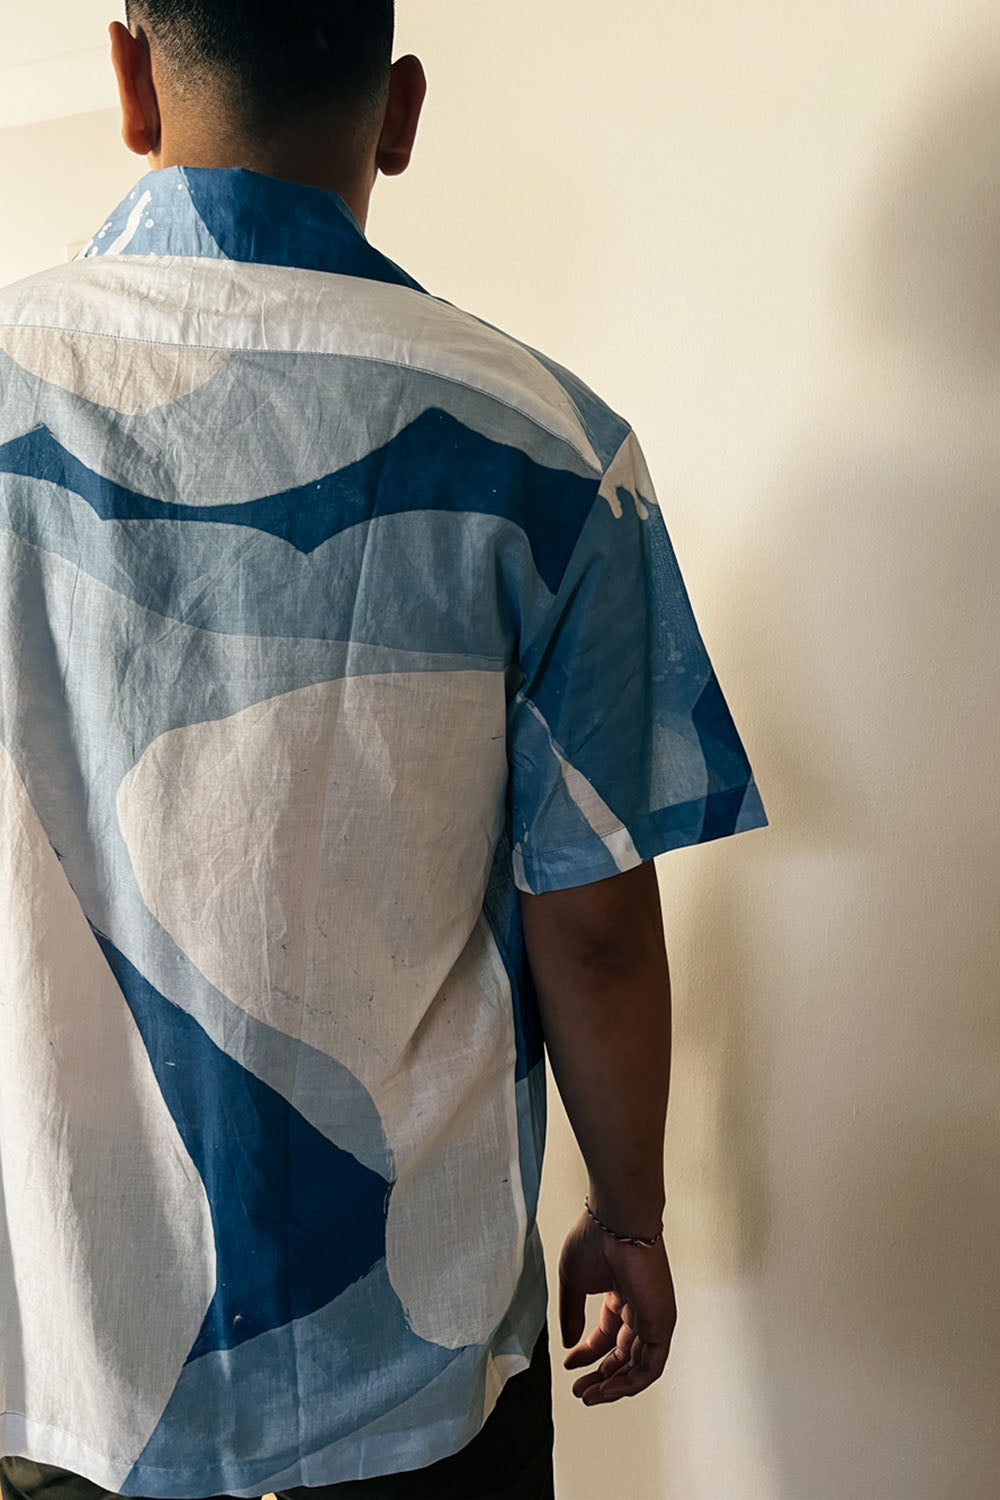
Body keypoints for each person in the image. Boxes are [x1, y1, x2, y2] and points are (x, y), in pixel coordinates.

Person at [0, 4, 769, 1499]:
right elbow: (596, 928)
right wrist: (630, 1215)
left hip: (60, 1341)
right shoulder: (549, 451)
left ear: (128, 75)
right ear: (400, 113)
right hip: (407, 1375)